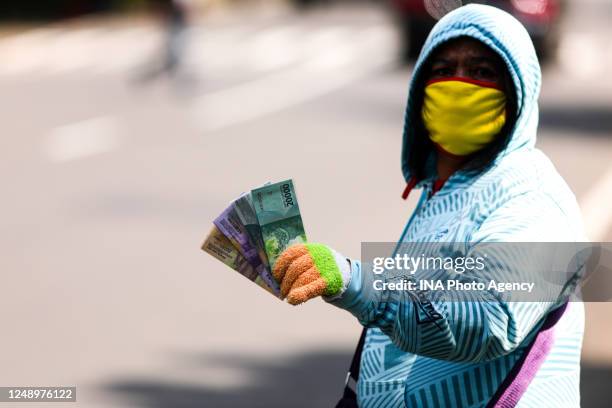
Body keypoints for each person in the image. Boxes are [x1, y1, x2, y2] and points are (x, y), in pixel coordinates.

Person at [273, 4, 585, 407]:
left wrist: (357, 283)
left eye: (482, 72)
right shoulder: (447, 187)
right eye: (442, 70)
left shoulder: (533, 197)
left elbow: (489, 316)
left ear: (518, 91)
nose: (458, 84)